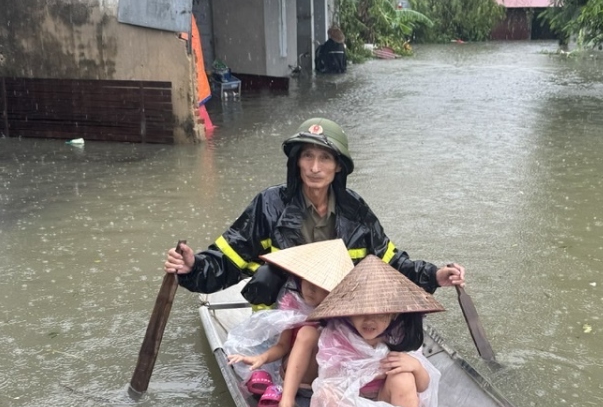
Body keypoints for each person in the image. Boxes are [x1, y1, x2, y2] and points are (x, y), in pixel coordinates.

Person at [164, 117, 465, 307]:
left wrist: (436, 275)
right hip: (281, 314)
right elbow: (227, 260)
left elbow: (391, 263)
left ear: (339, 167)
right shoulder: (269, 204)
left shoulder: (355, 209)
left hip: (341, 311)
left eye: (324, 158)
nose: (315, 167)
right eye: (307, 156)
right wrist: (193, 266)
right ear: (297, 162)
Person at [292, 256, 444, 407]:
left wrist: (415, 366)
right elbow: (332, 378)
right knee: (326, 393)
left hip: (384, 402)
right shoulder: (338, 335)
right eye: (361, 312)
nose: (369, 320)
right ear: (348, 312)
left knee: (404, 377)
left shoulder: (399, 336)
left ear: (394, 314)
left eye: (379, 313)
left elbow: (423, 386)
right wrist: (375, 372)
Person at [222, 240, 354, 407]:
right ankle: (286, 405)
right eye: (306, 281)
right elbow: (283, 346)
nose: (309, 289)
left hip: (325, 381)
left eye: (318, 285)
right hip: (296, 377)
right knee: (307, 333)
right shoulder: (292, 302)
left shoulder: (343, 313)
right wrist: (262, 358)